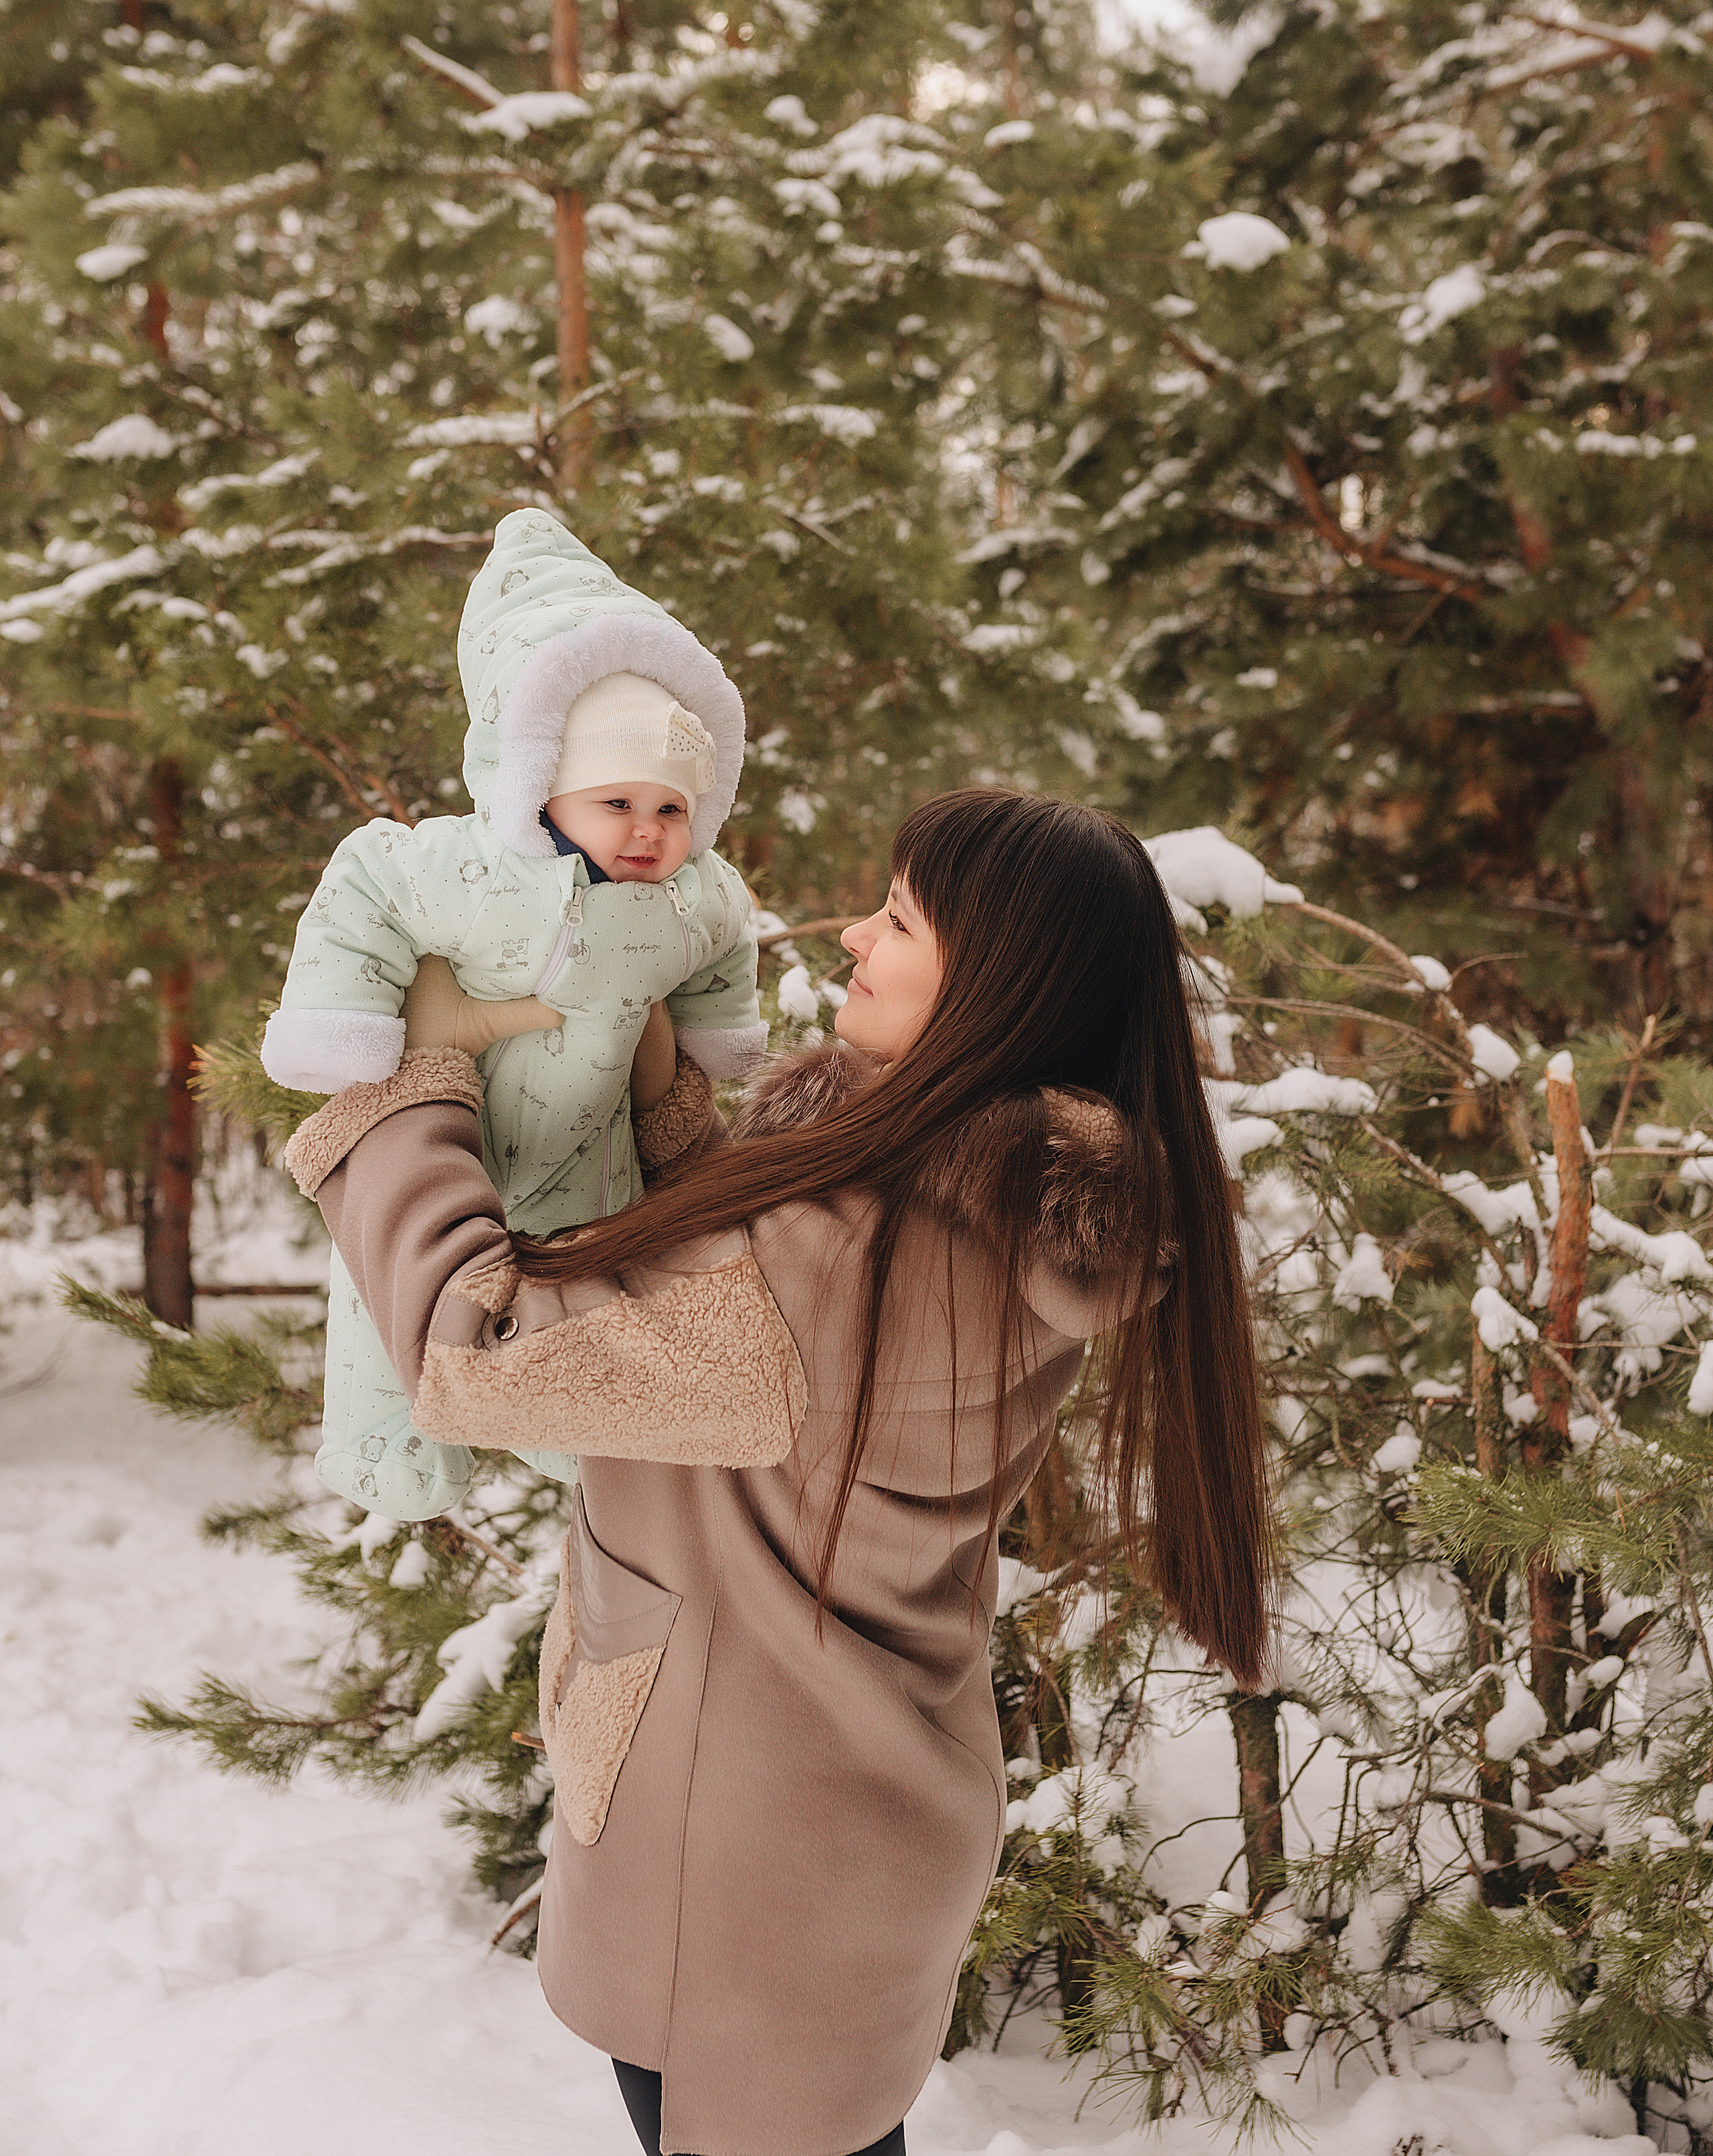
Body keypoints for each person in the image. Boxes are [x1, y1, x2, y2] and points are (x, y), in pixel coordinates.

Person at [282, 788, 1273, 2156]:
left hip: (745, 1856)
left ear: (990, 983)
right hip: (837, 1818)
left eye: (901, 918)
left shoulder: (852, 1248)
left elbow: (481, 1346)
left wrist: (410, 1082)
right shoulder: (987, 1214)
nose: (857, 935)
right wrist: (679, 1125)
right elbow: (760, 1369)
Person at [260, 507, 765, 1519]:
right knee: (386, 1289)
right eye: (614, 801)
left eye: (671, 808)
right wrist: (343, 1018)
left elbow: (724, 939)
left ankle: (568, 1429)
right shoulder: (472, 871)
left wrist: (712, 1037)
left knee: (587, 1282)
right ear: (542, 786)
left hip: (595, 1151)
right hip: (458, 1137)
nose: (646, 831)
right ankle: (385, 1441)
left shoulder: (694, 893)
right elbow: (367, 880)